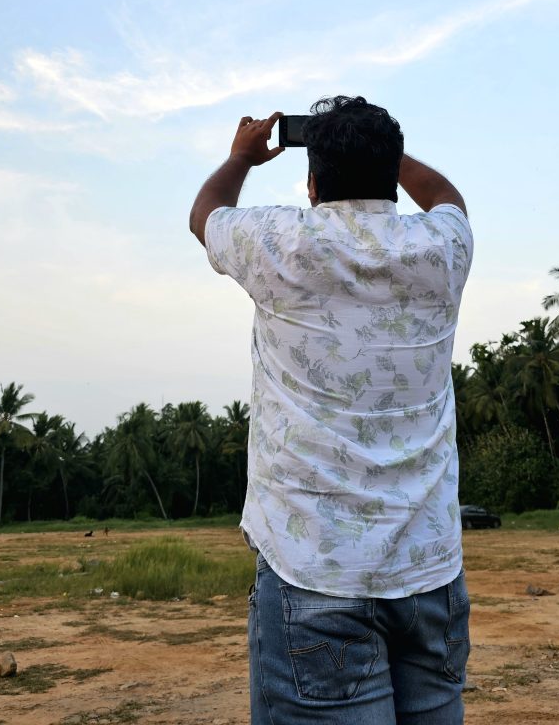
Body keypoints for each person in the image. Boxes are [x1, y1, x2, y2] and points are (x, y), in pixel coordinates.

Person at [189, 96, 474, 725]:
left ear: (312, 184)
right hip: (430, 576)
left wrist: (240, 158)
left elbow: (205, 215)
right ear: (392, 167)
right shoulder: (442, 250)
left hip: (314, 575)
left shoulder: (282, 243)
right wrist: (386, 158)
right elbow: (448, 195)